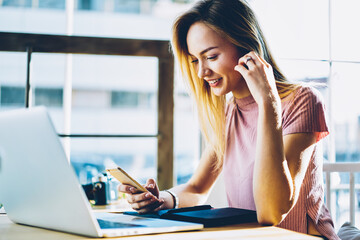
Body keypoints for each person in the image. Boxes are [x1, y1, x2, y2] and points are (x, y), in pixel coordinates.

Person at [118, 0, 339, 239]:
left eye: (211, 56)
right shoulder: (228, 112)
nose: (202, 72)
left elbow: (271, 212)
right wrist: (160, 199)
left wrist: (267, 102)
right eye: (195, 60)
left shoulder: (303, 100)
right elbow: (196, 188)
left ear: (247, 48)